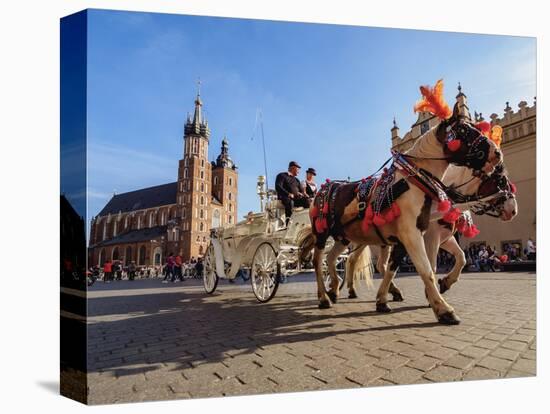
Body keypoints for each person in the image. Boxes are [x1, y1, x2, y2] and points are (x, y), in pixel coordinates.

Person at [275, 161, 310, 225]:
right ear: (293, 168)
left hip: (296, 198)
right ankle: (289, 223)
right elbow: (278, 186)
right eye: (298, 169)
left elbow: (300, 191)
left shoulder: (296, 180)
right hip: (285, 197)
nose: (299, 171)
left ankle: (306, 221)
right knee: (290, 202)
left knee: (306, 201)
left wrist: (301, 194)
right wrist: (288, 194)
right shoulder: (282, 175)